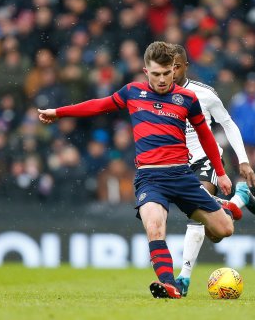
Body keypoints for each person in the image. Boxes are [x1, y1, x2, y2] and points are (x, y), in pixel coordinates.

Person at [38, 41, 239, 299]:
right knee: (155, 228)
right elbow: (99, 105)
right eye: (156, 74)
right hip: (150, 178)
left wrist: (220, 172)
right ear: (146, 71)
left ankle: (222, 204)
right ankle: (170, 285)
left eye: (167, 73)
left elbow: (206, 137)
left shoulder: (187, 99)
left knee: (224, 230)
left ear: (174, 70)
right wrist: (59, 112)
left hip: (181, 175)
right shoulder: (133, 92)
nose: (163, 79)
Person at [171, 44, 255, 297]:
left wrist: (243, 160)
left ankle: (183, 279)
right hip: (176, 164)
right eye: (169, 66)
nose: (173, 71)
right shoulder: (157, 93)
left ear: (186, 66)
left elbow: (228, 123)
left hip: (205, 159)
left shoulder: (204, 94)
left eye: (177, 66)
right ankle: (238, 200)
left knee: (196, 215)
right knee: (217, 233)